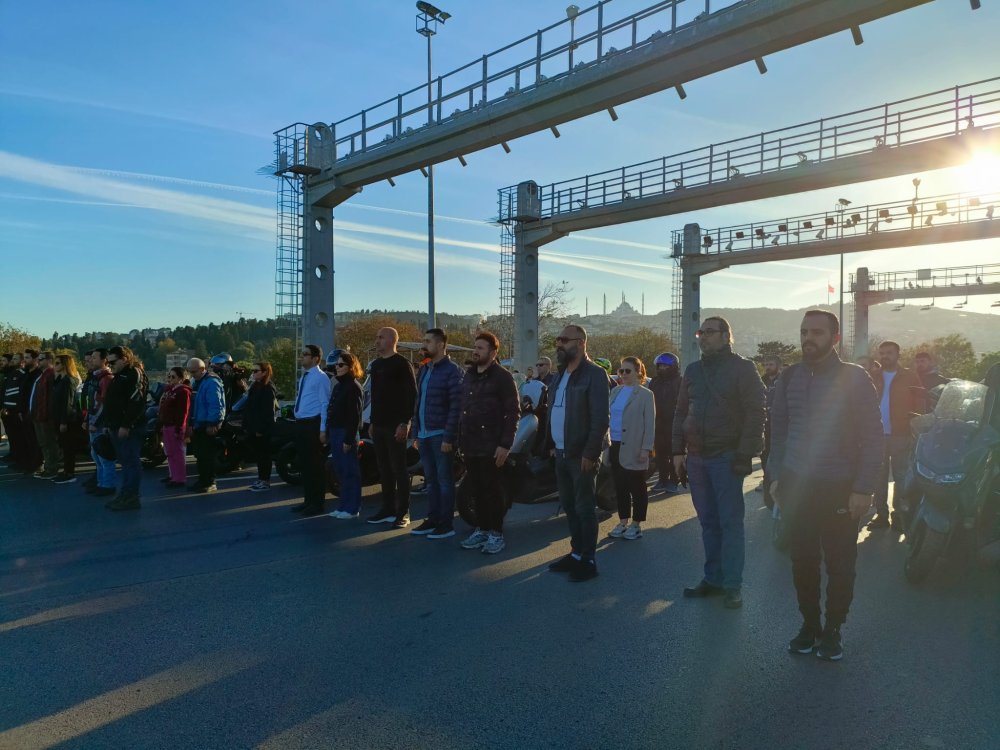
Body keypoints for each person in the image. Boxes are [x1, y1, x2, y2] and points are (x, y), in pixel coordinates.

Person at [769, 311, 883, 661]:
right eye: (804, 331)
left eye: (816, 332)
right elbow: (778, 433)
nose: (808, 338)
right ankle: (809, 626)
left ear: (835, 338)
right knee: (802, 562)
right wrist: (775, 476)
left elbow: (873, 437)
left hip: (840, 487)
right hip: (797, 487)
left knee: (840, 564)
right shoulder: (788, 378)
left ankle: (833, 629)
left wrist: (864, 488)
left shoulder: (854, 377)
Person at [673, 317, 766, 610]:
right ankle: (712, 579)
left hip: (726, 456)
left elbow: (756, 413)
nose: (703, 337)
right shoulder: (692, 370)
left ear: (727, 336)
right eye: (701, 332)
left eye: (710, 332)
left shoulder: (743, 368)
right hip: (697, 457)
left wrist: (743, 454)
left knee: (730, 522)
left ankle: (732, 585)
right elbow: (680, 412)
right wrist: (677, 451)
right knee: (708, 522)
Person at [545, 324, 611, 582]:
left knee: (584, 508)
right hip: (560, 452)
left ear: (581, 343)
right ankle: (575, 553)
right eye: (558, 339)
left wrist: (591, 452)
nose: (559, 344)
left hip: (581, 454)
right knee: (569, 507)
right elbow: (553, 411)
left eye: (564, 339)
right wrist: (550, 443)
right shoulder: (560, 375)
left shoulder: (594, 374)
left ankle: (588, 559)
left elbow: (600, 418)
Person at [458, 332, 520, 554]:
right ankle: (482, 529)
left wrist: (505, 444)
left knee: (492, 491)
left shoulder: (503, 377)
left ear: (493, 353)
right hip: (470, 444)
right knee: (476, 489)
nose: (475, 351)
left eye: (481, 348)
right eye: (475, 347)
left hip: (492, 445)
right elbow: (462, 408)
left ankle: (496, 534)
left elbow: (513, 412)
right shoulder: (469, 376)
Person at [410, 328, 465, 540]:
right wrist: (416, 432)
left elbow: (456, 408)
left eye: (428, 342)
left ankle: (445, 523)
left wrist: (448, 437)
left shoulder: (453, 371)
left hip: (440, 435)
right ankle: (432, 519)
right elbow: (418, 403)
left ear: (442, 345)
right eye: (423, 341)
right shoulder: (424, 370)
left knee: (444, 481)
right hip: (424, 435)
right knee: (430, 481)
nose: (424, 345)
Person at [869, 340, 924, 531]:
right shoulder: (873, 376)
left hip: (902, 435)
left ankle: (899, 516)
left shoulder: (910, 377)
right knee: (878, 477)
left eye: (889, 353)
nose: (885, 356)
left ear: (898, 355)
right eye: (882, 353)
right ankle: (881, 515)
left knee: (901, 477)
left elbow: (920, 404)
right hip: (876, 435)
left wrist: (915, 428)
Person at [366, 328, 417, 528]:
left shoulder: (402, 364)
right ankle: (387, 509)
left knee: (399, 469)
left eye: (380, 337)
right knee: (384, 469)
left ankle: (403, 513)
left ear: (392, 340)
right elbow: (375, 397)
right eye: (377, 337)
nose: (377, 340)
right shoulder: (376, 365)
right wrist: (371, 422)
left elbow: (411, 395)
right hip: (378, 425)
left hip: (396, 426)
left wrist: (405, 422)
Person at [607, 357, 656, 540]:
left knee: (637, 487)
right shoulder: (616, 391)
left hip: (635, 446)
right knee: (620, 487)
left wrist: (646, 448)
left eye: (628, 371)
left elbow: (650, 424)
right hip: (615, 444)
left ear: (638, 372)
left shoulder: (645, 394)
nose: (623, 374)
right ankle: (623, 521)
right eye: (621, 371)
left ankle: (636, 524)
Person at [99, 346, 149, 511]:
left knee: (131, 462)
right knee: (125, 462)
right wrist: (108, 423)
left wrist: (126, 425)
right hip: (116, 426)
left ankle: (131, 496)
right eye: (108, 362)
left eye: (113, 361)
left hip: (129, 427)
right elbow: (110, 402)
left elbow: (136, 402)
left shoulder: (135, 373)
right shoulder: (119, 376)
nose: (110, 365)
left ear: (125, 358)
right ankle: (125, 494)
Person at [290, 344, 332, 516]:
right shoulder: (305, 377)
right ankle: (308, 500)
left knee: (315, 466)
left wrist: (323, 430)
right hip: (301, 423)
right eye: (302, 354)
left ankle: (317, 503)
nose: (302, 357)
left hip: (313, 425)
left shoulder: (321, 378)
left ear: (315, 359)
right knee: (305, 465)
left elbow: (325, 404)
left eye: (306, 355)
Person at [327, 350, 365, 519]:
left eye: (341, 364)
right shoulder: (339, 385)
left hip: (345, 432)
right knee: (340, 471)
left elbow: (354, 415)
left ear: (350, 367)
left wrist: (349, 439)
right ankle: (343, 505)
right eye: (336, 364)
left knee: (350, 472)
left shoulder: (353, 386)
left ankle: (352, 508)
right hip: (335, 431)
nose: (337, 367)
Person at [186, 357, 226, 494]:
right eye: (189, 371)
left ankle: (209, 482)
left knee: (207, 455)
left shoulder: (211, 382)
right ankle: (203, 480)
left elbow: (216, 405)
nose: (191, 374)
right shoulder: (196, 382)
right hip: (198, 424)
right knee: (200, 455)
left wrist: (212, 423)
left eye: (194, 371)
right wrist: (190, 423)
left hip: (206, 424)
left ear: (203, 369)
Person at [81, 349, 116, 497]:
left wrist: (97, 422)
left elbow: (106, 404)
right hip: (92, 420)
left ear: (104, 360)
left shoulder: (106, 379)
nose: (91, 360)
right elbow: (91, 402)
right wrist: (86, 419)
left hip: (100, 424)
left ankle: (108, 485)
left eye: (95, 358)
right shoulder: (95, 377)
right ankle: (100, 483)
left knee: (104, 456)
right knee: (96, 455)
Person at [649, 352, 682, 493]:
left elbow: (683, 403)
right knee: (660, 454)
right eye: (660, 365)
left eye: (666, 365)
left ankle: (674, 480)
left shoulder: (680, 381)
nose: (662, 368)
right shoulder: (655, 381)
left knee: (674, 453)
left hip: (674, 424)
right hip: (658, 423)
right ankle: (662, 479)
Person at [243, 362, 278, 492]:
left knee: (264, 455)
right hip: (253, 426)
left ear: (264, 372)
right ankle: (261, 479)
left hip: (262, 429)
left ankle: (265, 481)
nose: (253, 372)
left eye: (256, 370)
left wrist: (261, 429)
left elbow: (268, 411)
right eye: (253, 370)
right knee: (259, 455)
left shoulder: (268, 387)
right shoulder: (255, 386)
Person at [50, 354, 82, 484]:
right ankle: (65, 471)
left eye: (57, 363)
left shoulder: (69, 381)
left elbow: (67, 403)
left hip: (67, 420)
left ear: (65, 365)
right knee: (64, 446)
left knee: (68, 448)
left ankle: (69, 472)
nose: (55, 365)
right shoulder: (59, 380)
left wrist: (64, 422)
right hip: (59, 418)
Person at [158, 366, 191, 488]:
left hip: (175, 426)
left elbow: (183, 412)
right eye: (169, 376)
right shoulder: (170, 391)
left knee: (178, 453)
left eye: (173, 377)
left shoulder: (183, 392)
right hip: (167, 425)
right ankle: (173, 475)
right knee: (170, 453)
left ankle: (180, 478)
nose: (170, 379)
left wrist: (179, 429)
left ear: (181, 379)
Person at [29, 351, 60, 479]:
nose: (38, 361)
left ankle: (52, 469)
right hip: (38, 415)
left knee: (49, 443)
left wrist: (47, 414)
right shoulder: (42, 375)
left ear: (49, 360)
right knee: (43, 443)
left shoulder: (51, 375)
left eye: (41, 359)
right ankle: (48, 467)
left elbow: (51, 398)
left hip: (45, 416)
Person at [759, 355, 782, 506]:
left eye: (771, 364)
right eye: (766, 364)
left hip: (779, 428)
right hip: (764, 427)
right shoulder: (761, 381)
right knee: (764, 458)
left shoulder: (784, 381)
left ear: (778, 366)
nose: (768, 367)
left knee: (775, 460)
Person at [16, 349, 43, 475]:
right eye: (25, 357)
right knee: (27, 439)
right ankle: (29, 462)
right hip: (23, 411)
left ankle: (37, 464)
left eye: (27, 357)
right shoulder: (26, 374)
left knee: (35, 439)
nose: (25, 360)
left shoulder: (39, 375)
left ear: (35, 359)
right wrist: (20, 410)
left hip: (33, 412)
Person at [2, 353, 24, 468]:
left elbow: (19, 393)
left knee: (18, 436)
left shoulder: (20, 374)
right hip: (8, 408)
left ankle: (20, 458)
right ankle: (14, 455)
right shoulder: (10, 374)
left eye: (15, 359)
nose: (12, 362)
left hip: (16, 409)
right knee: (12, 435)